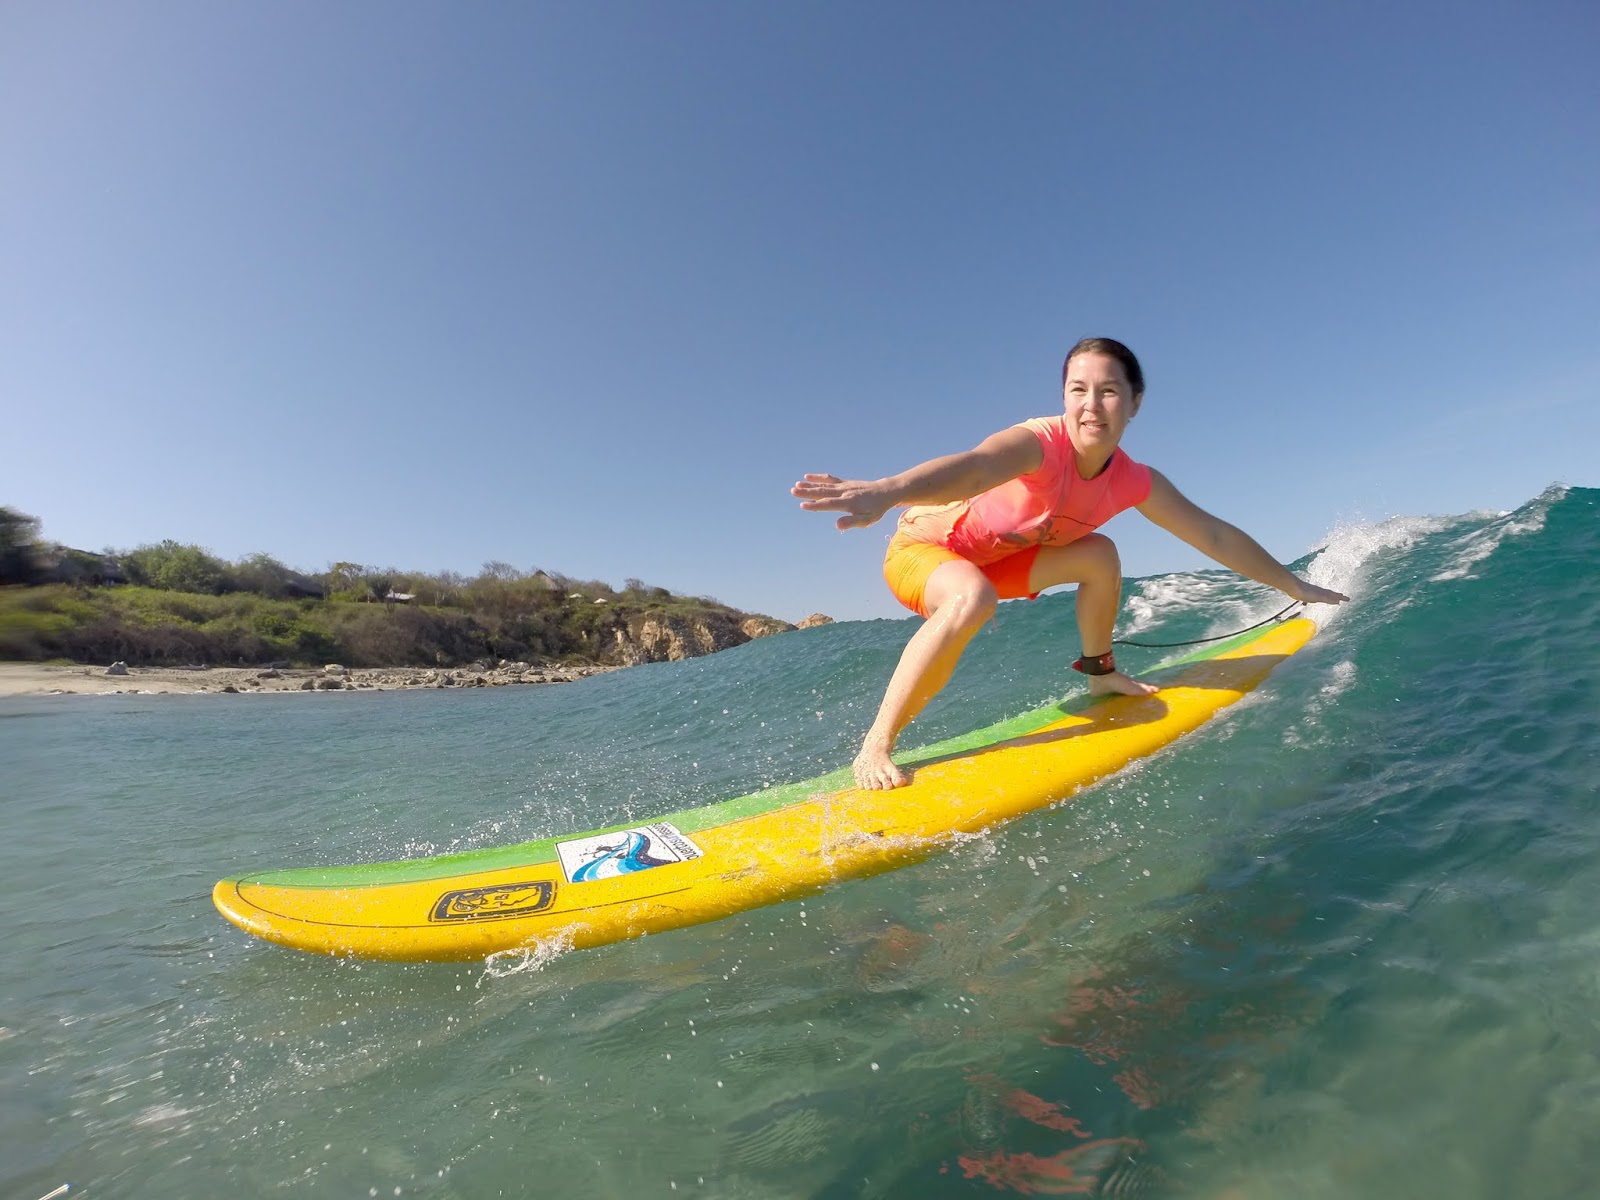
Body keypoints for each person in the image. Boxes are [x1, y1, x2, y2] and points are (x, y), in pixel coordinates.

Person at [793, 337, 1349, 791]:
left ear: (1134, 403)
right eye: (1078, 390)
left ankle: (1100, 676)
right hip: (923, 554)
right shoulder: (1038, 444)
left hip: (999, 563)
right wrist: (889, 490)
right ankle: (876, 745)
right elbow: (973, 468)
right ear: (1063, 397)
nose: (1091, 404)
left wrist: (1295, 584)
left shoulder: (1134, 480)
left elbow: (1213, 534)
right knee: (972, 597)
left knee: (1101, 555)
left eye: (1108, 391)